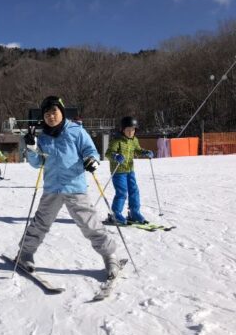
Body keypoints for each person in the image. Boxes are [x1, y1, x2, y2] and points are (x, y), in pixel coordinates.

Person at [17, 96, 119, 279]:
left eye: (54, 112)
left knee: (90, 224)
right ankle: (25, 253)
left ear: (62, 112)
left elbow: (91, 150)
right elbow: (37, 163)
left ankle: (110, 256)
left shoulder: (76, 131)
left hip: (74, 186)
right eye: (47, 114)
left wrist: (92, 161)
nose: (51, 116)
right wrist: (31, 149)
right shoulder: (42, 137)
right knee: (40, 223)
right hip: (52, 188)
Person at [104, 116, 154, 225]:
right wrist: (116, 156)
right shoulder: (116, 141)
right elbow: (108, 153)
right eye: (128, 130)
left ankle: (134, 212)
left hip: (130, 170)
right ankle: (116, 214)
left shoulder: (134, 140)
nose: (131, 132)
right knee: (122, 192)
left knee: (134, 190)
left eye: (133, 129)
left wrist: (145, 152)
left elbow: (138, 150)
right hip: (118, 171)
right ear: (122, 129)